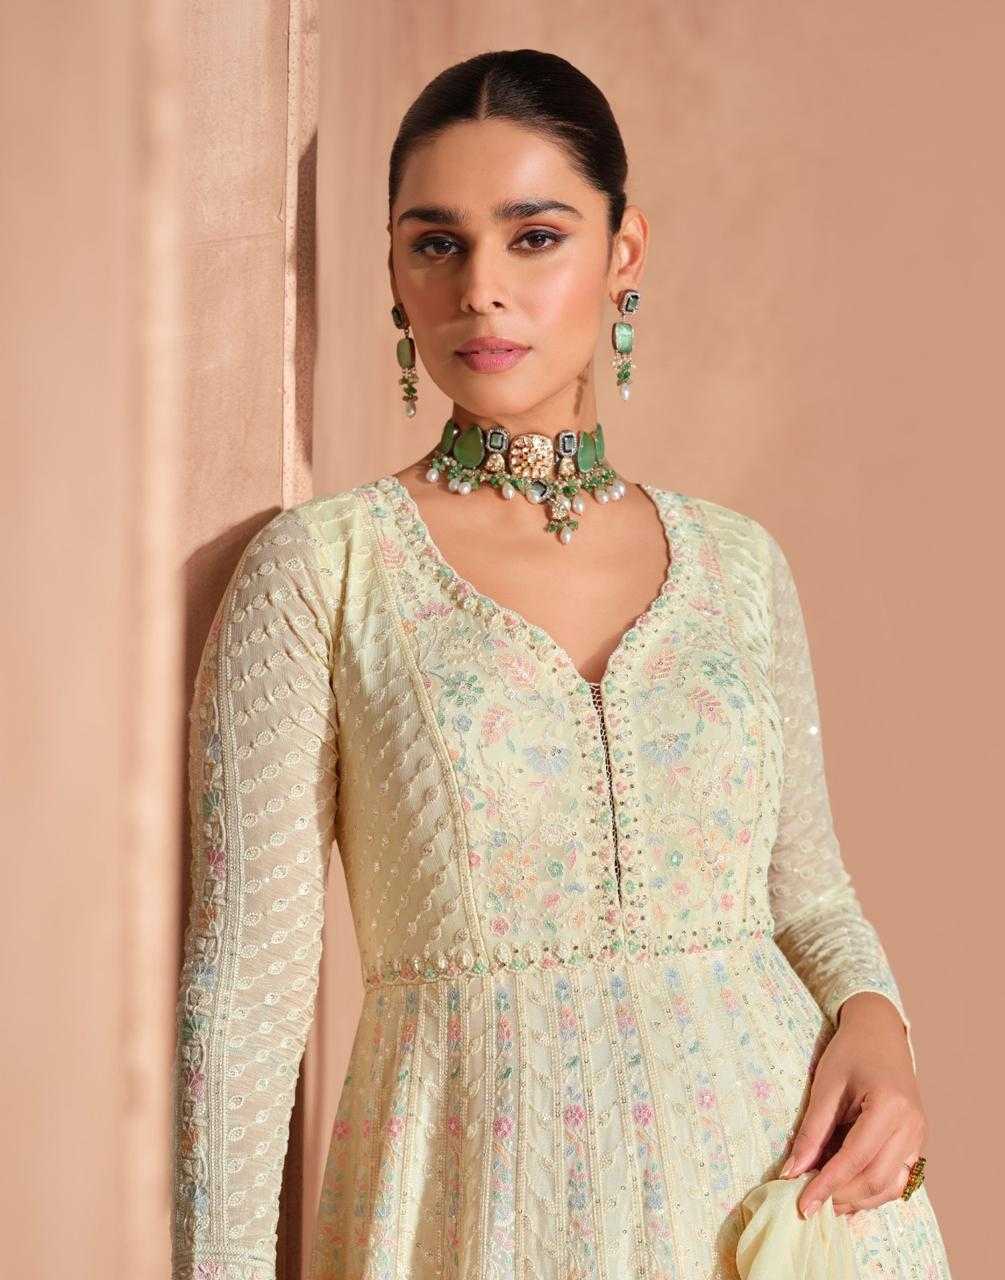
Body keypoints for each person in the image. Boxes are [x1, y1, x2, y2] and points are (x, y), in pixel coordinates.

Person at [171, 48, 953, 1280]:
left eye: (535, 237)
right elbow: (245, 997)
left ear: (622, 251)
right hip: (482, 1210)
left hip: (792, 1210)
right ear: (394, 271)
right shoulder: (329, 570)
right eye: (436, 244)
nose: (481, 288)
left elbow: (809, 897)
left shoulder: (738, 565)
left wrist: (880, 1024)